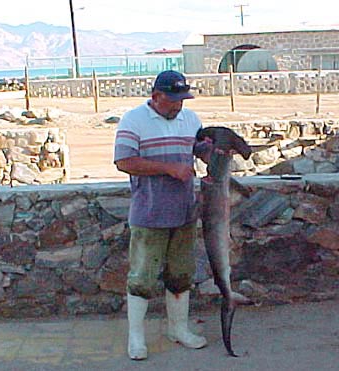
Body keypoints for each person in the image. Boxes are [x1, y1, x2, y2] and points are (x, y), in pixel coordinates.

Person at [114, 70, 209, 360]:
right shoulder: (133, 120)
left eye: (183, 100)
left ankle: (178, 328)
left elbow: (199, 150)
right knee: (142, 277)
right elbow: (124, 161)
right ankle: (136, 337)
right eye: (172, 100)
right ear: (156, 96)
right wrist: (168, 168)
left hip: (184, 212)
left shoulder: (191, 120)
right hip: (150, 213)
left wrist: (211, 152)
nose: (178, 105)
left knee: (181, 274)